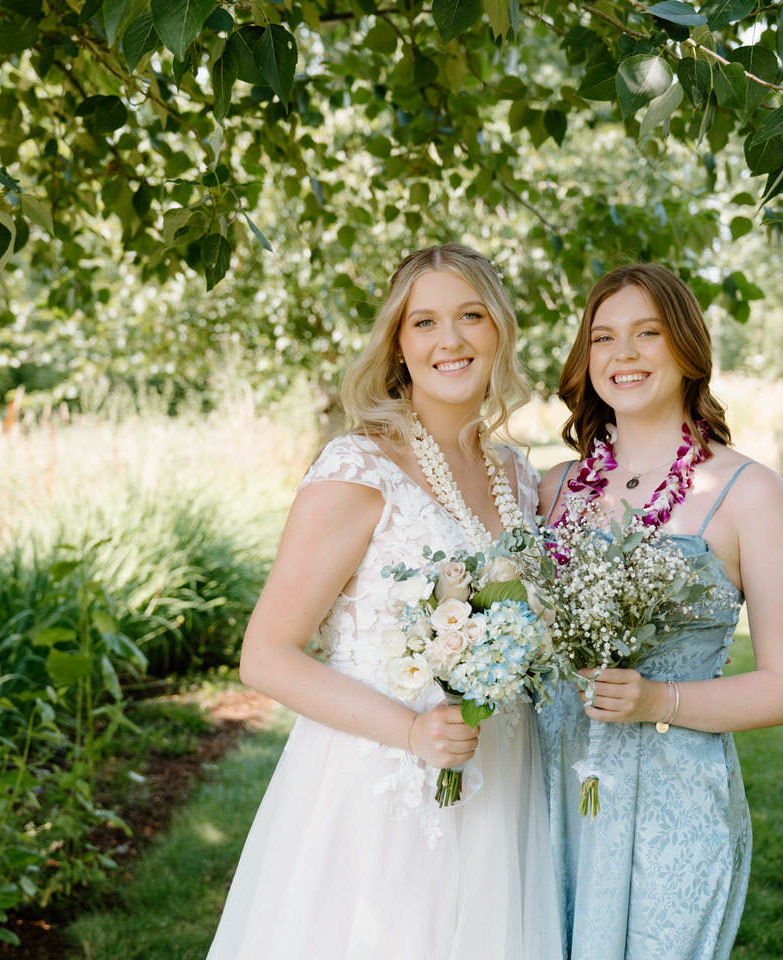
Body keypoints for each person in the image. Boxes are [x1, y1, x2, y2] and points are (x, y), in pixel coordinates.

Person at [208, 244, 561, 960]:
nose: (450, 340)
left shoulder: (517, 475)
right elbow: (265, 656)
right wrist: (410, 734)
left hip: (502, 780)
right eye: (424, 323)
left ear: (499, 329)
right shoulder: (358, 467)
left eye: (470, 316)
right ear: (399, 346)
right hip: (382, 786)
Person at [536, 264, 783, 960]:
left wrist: (657, 698)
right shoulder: (549, 491)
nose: (622, 355)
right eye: (602, 338)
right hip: (546, 786)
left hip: (673, 803)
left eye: (646, 334)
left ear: (687, 347)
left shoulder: (749, 494)